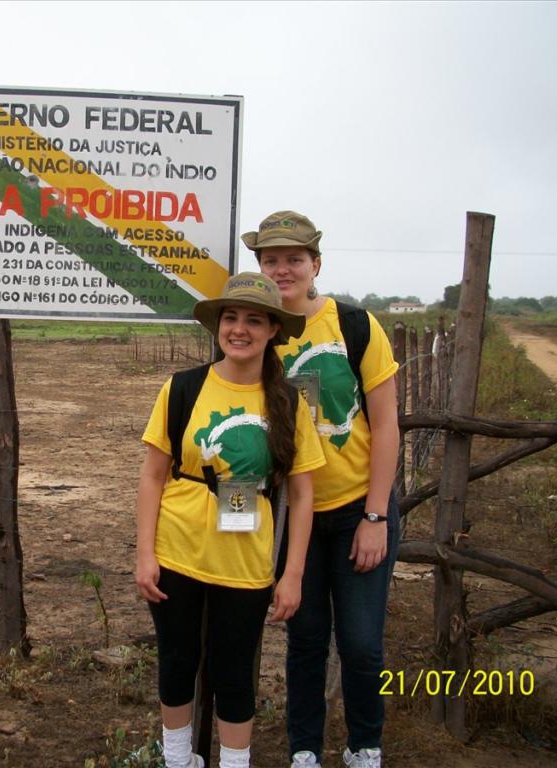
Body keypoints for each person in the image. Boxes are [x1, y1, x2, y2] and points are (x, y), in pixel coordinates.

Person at [136, 272, 326, 768]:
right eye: (231, 318)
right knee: (177, 660)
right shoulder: (183, 388)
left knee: (235, 671)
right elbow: (153, 477)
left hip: (245, 561)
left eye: (254, 320)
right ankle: (177, 759)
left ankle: (234, 762)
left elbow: (302, 494)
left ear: (273, 331)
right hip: (176, 551)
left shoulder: (288, 402)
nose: (239, 329)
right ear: (218, 325)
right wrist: (145, 555)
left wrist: (292, 574)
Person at [246, 211, 401, 768]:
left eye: (294, 259)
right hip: (294, 515)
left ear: (316, 264)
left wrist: (376, 516)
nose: (282, 270)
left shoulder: (355, 326)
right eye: (270, 260)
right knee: (306, 637)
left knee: (360, 643)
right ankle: (305, 749)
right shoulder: (256, 332)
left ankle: (364, 746)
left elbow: (387, 424)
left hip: (360, 506)